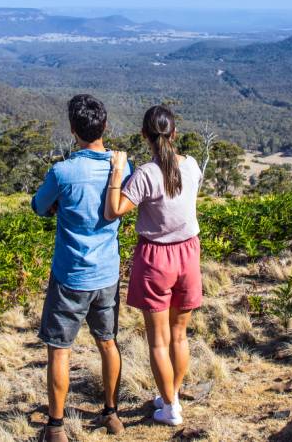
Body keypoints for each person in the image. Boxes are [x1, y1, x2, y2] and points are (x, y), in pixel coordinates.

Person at [31, 94, 132, 441]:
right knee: (108, 342)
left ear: (73, 131)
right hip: (106, 274)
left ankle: (56, 426)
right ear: (104, 126)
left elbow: (38, 206)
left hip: (70, 275)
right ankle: (111, 413)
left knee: (59, 349)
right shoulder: (121, 167)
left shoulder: (62, 172)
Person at [104, 105, 203, 426]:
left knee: (158, 340)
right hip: (188, 254)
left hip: (156, 258)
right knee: (179, 336)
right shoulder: (191, 166)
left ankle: (171, 407)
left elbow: (114, 210)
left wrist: (117, 171)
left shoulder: (145, 174)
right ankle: (170, 397)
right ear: (174, 133)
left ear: (144, 135)